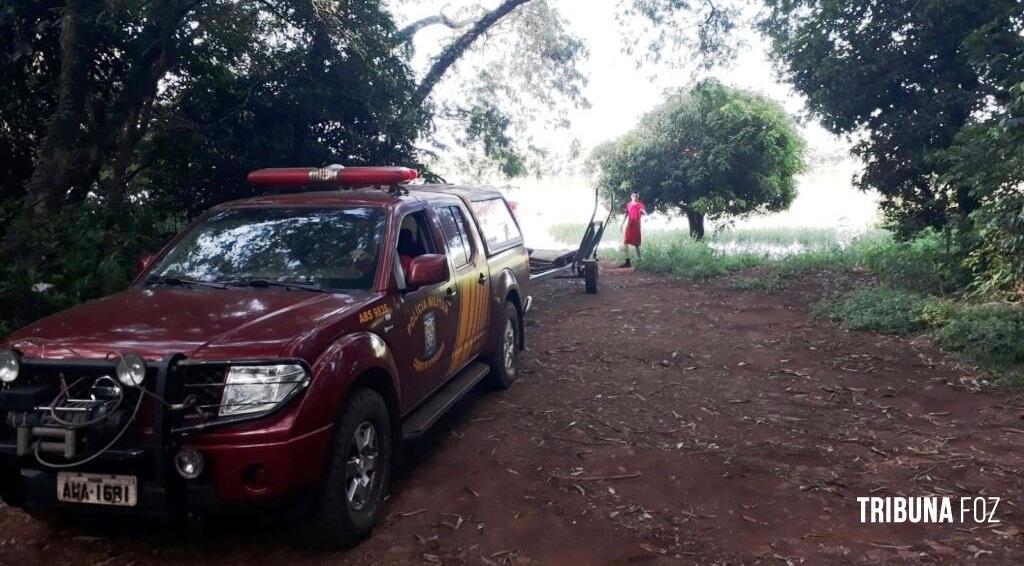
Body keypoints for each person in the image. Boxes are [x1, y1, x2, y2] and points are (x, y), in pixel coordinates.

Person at [619, 192, 646, 268]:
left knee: (636, 244)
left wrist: (643, 212)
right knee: (626, 243)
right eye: (634, 196)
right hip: (629, 225)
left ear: (638, 197)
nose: (635, 197)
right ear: (631, 196)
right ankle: (627, 262)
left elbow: (644, 212)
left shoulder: (641, 205)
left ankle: (640, 261)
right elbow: (626, 215)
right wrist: (621, 225)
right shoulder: (628, 204)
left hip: (636, 226)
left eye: (637, 196)